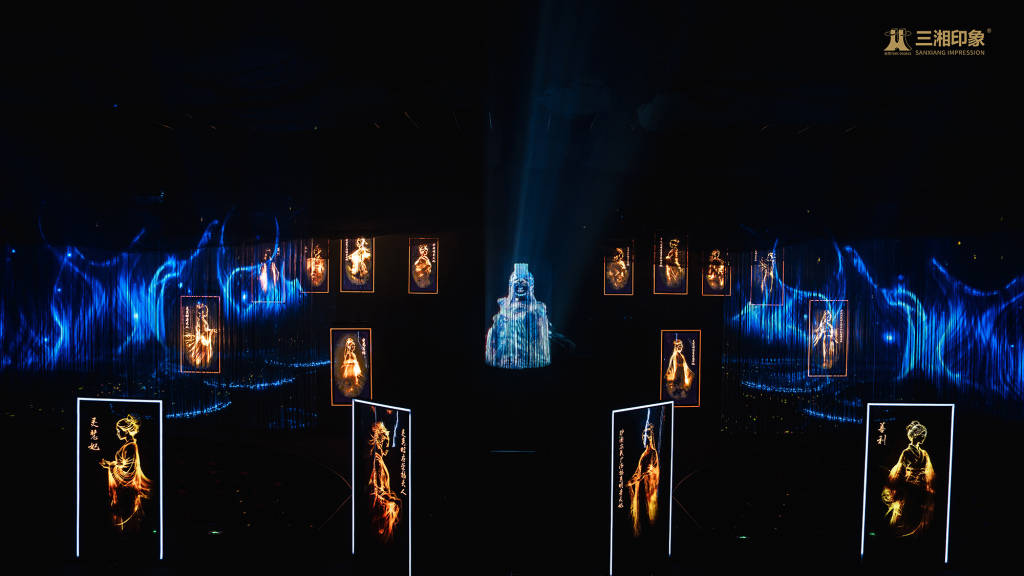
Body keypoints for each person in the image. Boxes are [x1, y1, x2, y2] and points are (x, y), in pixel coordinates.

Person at [881, 420, 936, 537]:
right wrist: (899, 484)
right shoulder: (906, 452)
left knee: (915, 516)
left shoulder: (924, 453)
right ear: (916, 435)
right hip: (909, 489)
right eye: (922, 435)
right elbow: (900, 470)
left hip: (920, 490)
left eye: (924, 435)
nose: (923, 437)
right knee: (905, 515)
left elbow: (928, 472)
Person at [99, 415, 151, 531]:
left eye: (119, 430)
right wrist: (111, 464)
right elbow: (124, 465)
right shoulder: (128, 446)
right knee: (124, 516)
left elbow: (129, 471)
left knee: (127, 517)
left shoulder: (130, 447)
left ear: (126, 431)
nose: (117, 433)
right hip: (124, 490)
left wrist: (111, 466)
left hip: (127, 490)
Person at [368, 421, 401, 542]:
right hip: (379, 511)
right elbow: (374, 490)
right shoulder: (376, 462)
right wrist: (389, 501)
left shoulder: (379, 461)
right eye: (386, 440)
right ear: (379, 441)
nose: (388, 445)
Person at [626, 422, 660, 537]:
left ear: (650, 438)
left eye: (645, 437)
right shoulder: (643, 454)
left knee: (646, 514)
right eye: (642, 437)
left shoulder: (653, 453)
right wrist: (631, 481)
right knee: (640, 515)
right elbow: (638, 471)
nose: (643, 439)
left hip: (647, 490)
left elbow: (645, 472)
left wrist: (634, 481)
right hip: (640, 489)